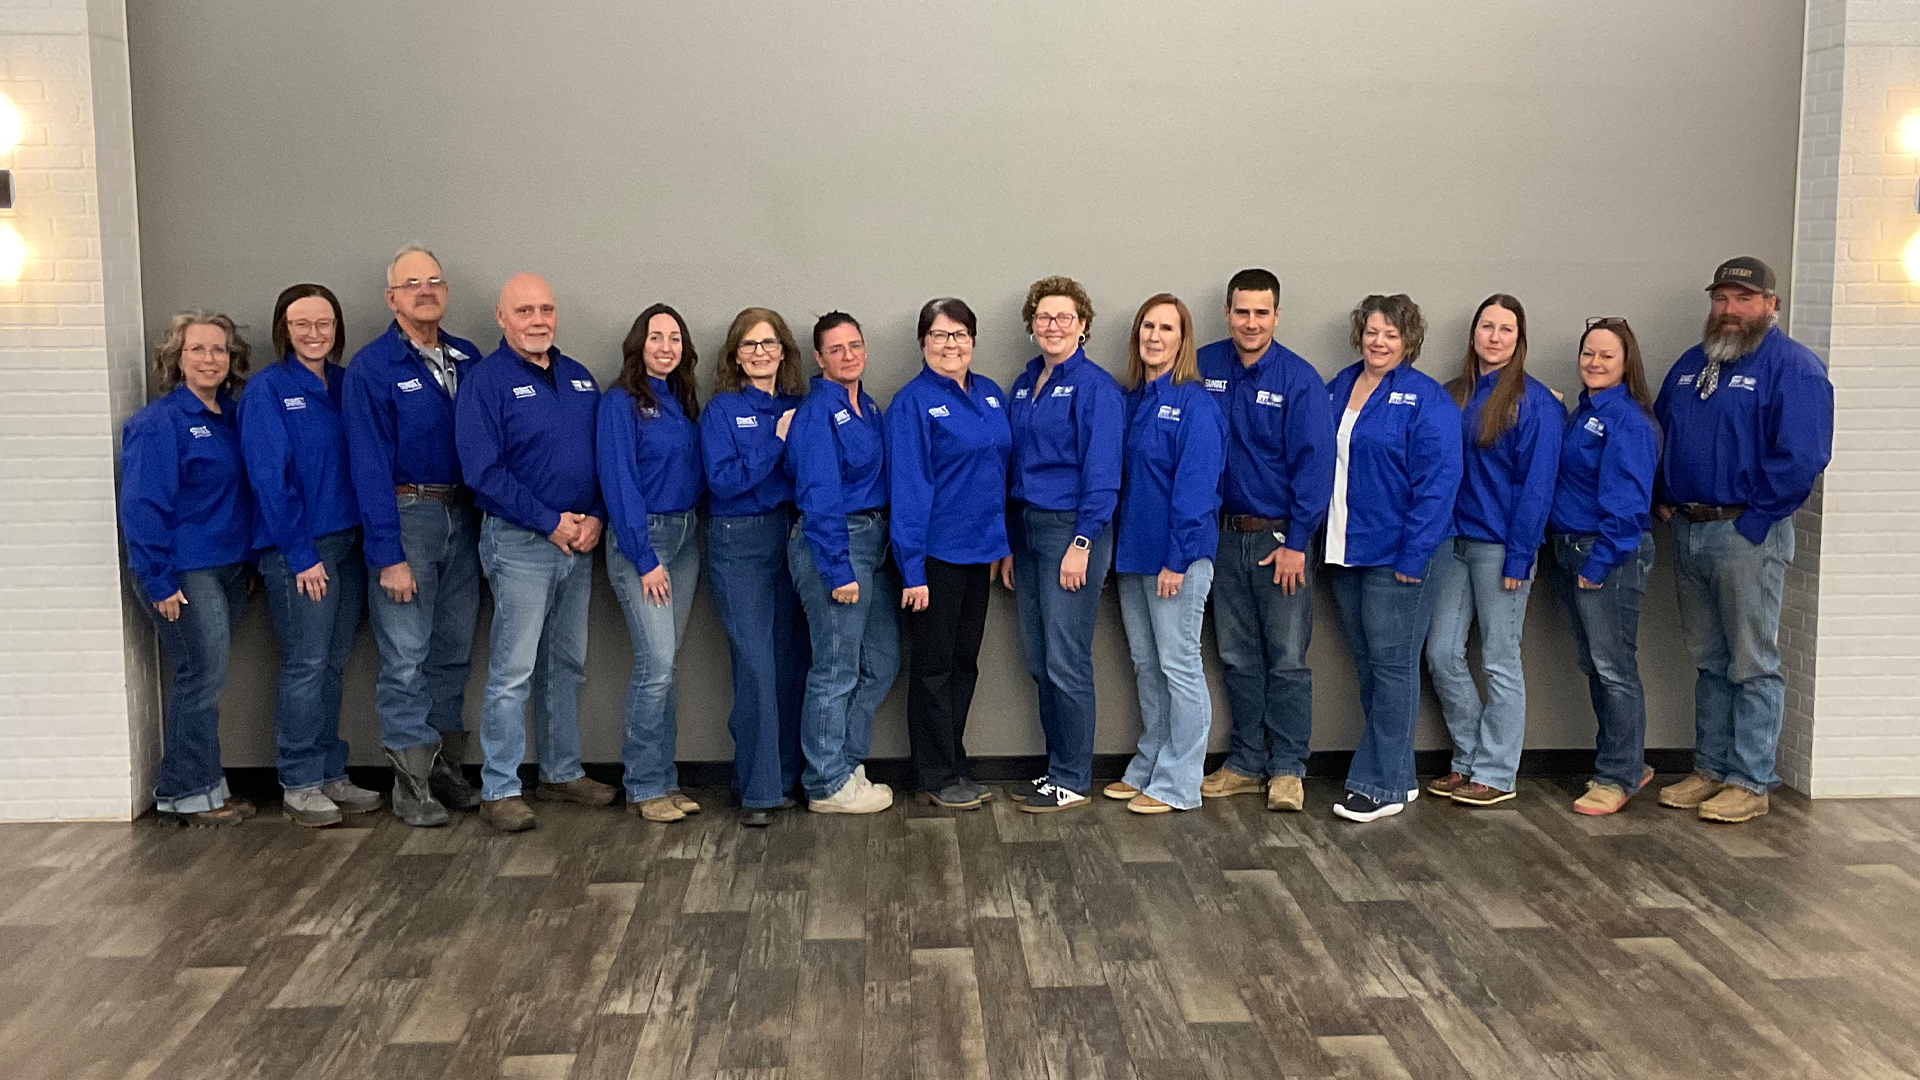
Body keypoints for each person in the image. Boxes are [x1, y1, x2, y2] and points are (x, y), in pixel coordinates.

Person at [1653, 257, 1833, 824]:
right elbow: (1661, 430)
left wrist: (1754, 522)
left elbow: (1803, 456)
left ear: (1771, 304)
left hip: (1747, 535)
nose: (1730, 310)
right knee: (1709, 660)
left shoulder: (1793, 367)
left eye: (1744, 298)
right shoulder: (1693, 364)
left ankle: (1751, 781)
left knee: (1752, 662)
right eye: (1722, 298)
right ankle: (1710, 768)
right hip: (1690, 530)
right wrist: (1662, 493)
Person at [455, 273, 616, 832]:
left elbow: (602, 457)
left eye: (546, 309)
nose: (538, 319)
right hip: (519, 542)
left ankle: (561, 772)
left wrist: (596, 516)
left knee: (566, 664)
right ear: (501, 318)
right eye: (524, 311)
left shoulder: (579, 378)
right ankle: (500, 788)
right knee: (513, 671)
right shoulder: (486, 381)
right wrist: (549, 522)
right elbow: (482, 472)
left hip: (579, 541)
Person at [342, 246, 483, 828]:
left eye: (434, 281)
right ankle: (410, 784)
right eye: (412, 283)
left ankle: (445, 769)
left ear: (445, 292)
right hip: (407, 517)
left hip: (463, 517)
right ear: (392, 298)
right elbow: (367, 465)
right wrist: (388, 554)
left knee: (452, 652)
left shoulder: (467, 357)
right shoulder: (373, 368)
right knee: (405, 657)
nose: (425, 291)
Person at [240, 283, 382, 827]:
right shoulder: (268, 390)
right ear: (284, 329)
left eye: (324, 323)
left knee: (332, 664)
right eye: (301, 323)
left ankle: (329, 771)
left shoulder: (346, 385)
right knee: (305, 665)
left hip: (349, 545)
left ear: (337, 328)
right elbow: (268, 480)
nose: (314, 333)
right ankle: (299, 782)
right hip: (300, 550)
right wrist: (300, 556)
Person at [1195, 268, 1334, 812]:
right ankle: (1246, 762)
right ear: (1227, 313)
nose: (1250, 322)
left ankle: (1288, 769)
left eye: (1261, 312)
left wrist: (1298, 541)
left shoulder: (1299, 379)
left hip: (1281, 540)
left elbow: (1315, 467)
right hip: (1222, 536)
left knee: (1287, 659)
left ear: (1277, 316)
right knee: (1236, 656)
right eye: (1241, 311)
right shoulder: (1202, 366)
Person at [1324, 294, 1463, 823]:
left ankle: (1378, 785)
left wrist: (1414, 555)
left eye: (1391, 334)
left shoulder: (1427, 400)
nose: (1379, 342)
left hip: (1401, 554)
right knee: (1372, 668)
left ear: (1409, 341)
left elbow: (1439, 484)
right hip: (1347, 550)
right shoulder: (1339, 386)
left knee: (1392, 669)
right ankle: (1399, 777)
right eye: (1372, 332)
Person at [1424, 295, 1564, 807]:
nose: (1495, 337)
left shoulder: (1535, 403)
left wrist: (1520, 556)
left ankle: (1497, 772)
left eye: (1506, 329)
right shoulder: (1453, 394)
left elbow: (1537, 486)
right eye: (1487, 326)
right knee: (1441, 653)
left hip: (1501, 549)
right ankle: (1468, 759)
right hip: (1452, 544)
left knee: (1500, 661)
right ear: (1474, 333)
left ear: (1519, 339)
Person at [120, 311, 257, 826]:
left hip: (228, 569)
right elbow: (141, 507)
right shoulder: (159, 423)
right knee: (202, 676)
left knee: (205, 676)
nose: (209, 359)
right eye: (197, 349)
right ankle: (184, 791)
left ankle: (207, 786)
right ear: (176, 359)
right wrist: (158, 580)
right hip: (182, 573)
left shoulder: (233, 417)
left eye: (219, 349)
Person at [1005, 275, 1124, 814]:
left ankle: (1072, 778)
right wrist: (1010, 543)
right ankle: (1055, 768)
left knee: (1066, 659)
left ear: (1083, 326)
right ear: (1032, 326)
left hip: (1070, 532)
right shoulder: (1024, 383)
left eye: (1065, 317)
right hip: (1027, 530)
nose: (1053, 326)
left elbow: (1103, 473)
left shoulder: (1096, 387)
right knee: (1039, 659)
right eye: (1044, 317)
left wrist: (1083, 540)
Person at [887, 297, 1012, 810]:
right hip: (934, 558)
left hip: (981, 555)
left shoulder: (990, 394)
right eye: (939, 335)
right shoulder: (911, 404)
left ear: (973, 341)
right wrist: (911, 570)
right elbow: (909, 489)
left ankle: (954, 763)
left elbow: (998, 476)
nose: (950, 344)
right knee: (933, 669)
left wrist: (1002, 545)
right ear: (923, 343)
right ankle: (934, 775)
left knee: (964, 663)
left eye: (959, 334)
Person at [1105, 294, 1226, 814]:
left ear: (1183, 340)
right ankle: (1150, 764)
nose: (1154, 336)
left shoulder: (1196, 405)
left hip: (1177, 559)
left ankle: (1180, 782)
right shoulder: (1134, 399)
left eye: (1166, 328)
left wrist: (1177, 560)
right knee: (1147, 665)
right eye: (1147, 326)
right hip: (1133, 554)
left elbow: (1196, 491)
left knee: (1179, 666)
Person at [702, 308, 811, 827]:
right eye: (749, 344)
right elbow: (724, 482)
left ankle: (782, 777)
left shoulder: (797, 406)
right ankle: (759, 793)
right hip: (738, 540)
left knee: (790, 663)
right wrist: (777, 443)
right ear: (736, 355)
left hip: (790, 536)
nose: (760, 352)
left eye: (769, 343)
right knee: (755, 666)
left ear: (784, 351)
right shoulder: (722, 411)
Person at [787, 311, 899, 814]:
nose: (848, 355)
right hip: (835, 544)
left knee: (880, 663)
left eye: (854, 345)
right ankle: (825, 783)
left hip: (872, 543)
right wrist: (837, 569)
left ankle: (845, 764)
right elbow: (819, 494)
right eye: (836, 349)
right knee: (835, 669)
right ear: (819, 358)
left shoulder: (867, 407)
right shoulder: (818, 411)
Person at [599, 303, 704, 824]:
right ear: (638, 344)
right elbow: (619, 482)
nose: (666, 347)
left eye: (675, 338)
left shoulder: (682, 402)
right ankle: (642, 785)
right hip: (643, 544)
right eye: (656, 337)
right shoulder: (620, 402)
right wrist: (643, 557)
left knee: (667, 668)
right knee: (655, 666)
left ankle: (665, 779)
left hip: (685, 539)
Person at [1551, 318, 1661, 815]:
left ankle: (1619, 775)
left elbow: (1628, 504)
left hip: (1607, 553)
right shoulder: (1584, 413)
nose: (1594, 363)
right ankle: (1624, 761)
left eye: (1606, 356)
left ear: (1626, 362)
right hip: (1574, 549)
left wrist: (1599, 563)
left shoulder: (1627, 420)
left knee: (1614, 668)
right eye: (1588, 354)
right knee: (1596, 664)